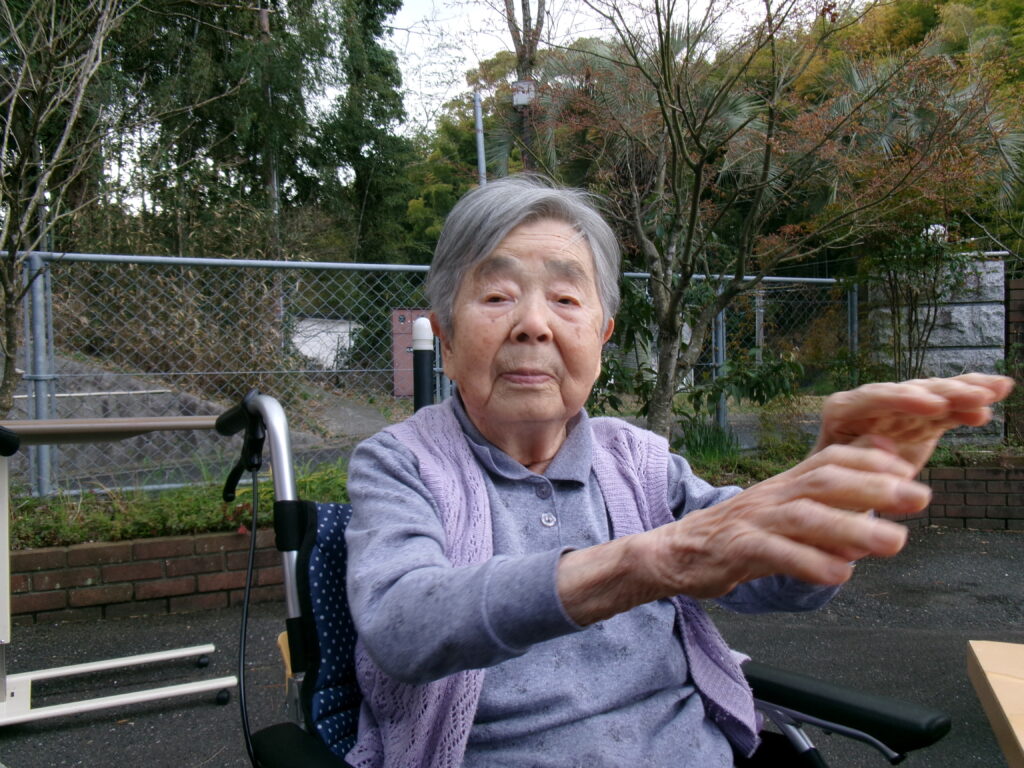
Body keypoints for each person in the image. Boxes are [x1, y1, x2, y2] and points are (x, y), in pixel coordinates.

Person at [344, 175, 1013, 768]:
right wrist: (643, 564)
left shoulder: (637, 462)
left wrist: (840, 487)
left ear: (602, 339)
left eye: (567, 300)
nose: (534, 325)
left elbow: (779, 585)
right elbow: (403, 625)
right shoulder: (401, 463)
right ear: (445, 337)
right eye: (497, 295)